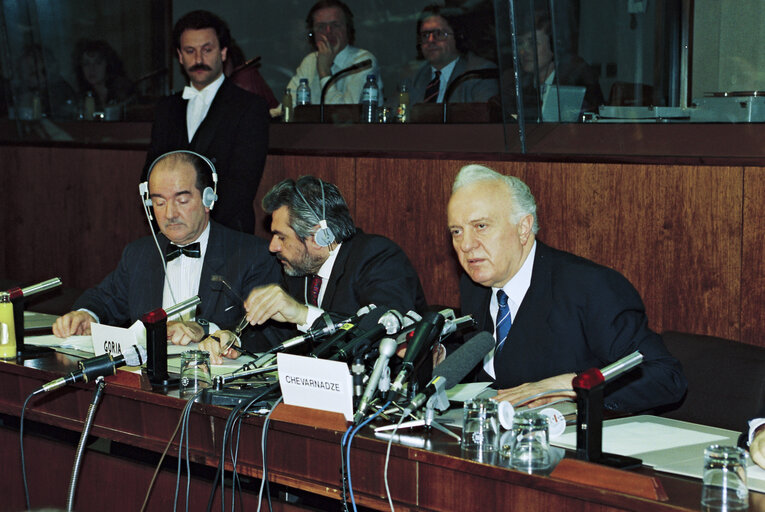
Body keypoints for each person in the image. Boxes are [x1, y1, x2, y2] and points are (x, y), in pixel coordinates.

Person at [447, 164, 686, 413]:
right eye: (457, 231)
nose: (465, 245)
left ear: (523, 227)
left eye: (481, 227)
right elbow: (496, 366)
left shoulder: (589, 287)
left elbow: (665, 376)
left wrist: (572, 386)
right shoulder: (476, 286)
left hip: (577, 440)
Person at [53, 151, 281, 347]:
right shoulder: (139, 254)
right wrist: (85, 315)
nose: (170, 214)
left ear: (208, 199)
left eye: (181, 201)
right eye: (159, 202)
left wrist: (207, 329)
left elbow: (269, 335)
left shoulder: (252, 255)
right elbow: (104, 299)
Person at [201, 175, 427, 363]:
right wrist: (234, 339)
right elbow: (281, 332)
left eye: (281, 236)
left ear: (320, 237)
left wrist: (302, 313)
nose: (272, 246)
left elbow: (382, 335)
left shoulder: (378, 258)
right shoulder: (300, 270)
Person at [143, 10, 270, 234]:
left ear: (223, 53)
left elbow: (242, 186)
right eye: (190, 51)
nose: (198, 59)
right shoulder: (166, 108)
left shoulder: (250, 107)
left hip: (227, 235)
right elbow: (150, 175)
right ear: (180, 56)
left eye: (207, 50)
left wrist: (194, 227)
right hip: (171, 233)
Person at [286, 0, 383, 105]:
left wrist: (324, 73)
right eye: (321, 27)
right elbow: (287, 106)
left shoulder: (363, 61)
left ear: (348, 29)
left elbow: (346, 114)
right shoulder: (310, 61)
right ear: (312, 34)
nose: (328, 32)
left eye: (335, 25)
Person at [518, 12, 604, 118]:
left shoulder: (575, 79)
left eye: (533, 43)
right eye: (520, 43)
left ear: (554, 46)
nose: (523, 51)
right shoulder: (517, 83)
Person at [409, 5, 498, 104]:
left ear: (458, 36)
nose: (430, 41)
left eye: (439, 34)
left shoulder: (479, 74)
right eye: (425, 35)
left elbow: (485, 116)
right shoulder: (414, 77)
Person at [74, 39, 135, 112]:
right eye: (86, 64)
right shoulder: (80, 99)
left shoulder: (125, 95)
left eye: (98, 63)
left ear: (108, 65)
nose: (92, 69)